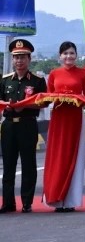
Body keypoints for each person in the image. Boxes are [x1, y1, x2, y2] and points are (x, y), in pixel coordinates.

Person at [43, 41, 85, 212]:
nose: (68, 56)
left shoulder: (83, 73)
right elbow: (49, 96)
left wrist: (76, 100)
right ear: (60, 56)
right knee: (57, 156)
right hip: (58, 118)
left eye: (71, 53)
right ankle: (56, 198)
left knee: (74, 156)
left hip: (75, 118)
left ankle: (70, 200)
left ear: (76, 55)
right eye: (65, 53)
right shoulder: (54, 74)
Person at [1, 39, 47, 213]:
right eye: (16, 57)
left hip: (27, 124)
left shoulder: (37, 81)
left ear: (29, 59)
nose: (19, 60)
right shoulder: (5, 80)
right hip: (8, 126)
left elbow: (44, 102)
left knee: (28, 164)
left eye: (22, 57)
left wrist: (26, 106)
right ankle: (8, 203)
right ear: (12, 59)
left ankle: (27, 202)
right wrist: (6, 106)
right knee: (8, 164)